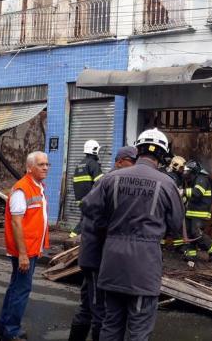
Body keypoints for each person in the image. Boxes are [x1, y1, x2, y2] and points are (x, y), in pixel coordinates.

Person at [83, 129, 183, 341]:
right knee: (138, 330)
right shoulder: (166, 183)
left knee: (110, 324)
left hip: (112, 263)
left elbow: (89, 208)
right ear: (163, 155)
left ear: (137, 150)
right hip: (144, 267)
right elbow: (176, 224)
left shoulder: (111, 178)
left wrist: (108, 227)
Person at [68, 146, 137, 341]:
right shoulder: (111, 182)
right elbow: (93, 212)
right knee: (100, 310)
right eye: (131, 162)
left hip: (97, 257)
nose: (134, 167)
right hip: (96, 258)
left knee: (88, 306)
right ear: (119, 161)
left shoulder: (115, 181)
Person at [0, 151, 50, 341]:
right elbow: (17, 223)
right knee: (21, 290)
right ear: (29, 168)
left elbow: (35, 221)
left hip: (32, 248)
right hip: (24, 251)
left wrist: (39, 247)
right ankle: (11, 331)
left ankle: (4, 328)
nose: (45, 168)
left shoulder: (37, 187)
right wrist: (23, 255)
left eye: (46, 164)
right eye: (41, 164)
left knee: (16, 288)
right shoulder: (22, 189)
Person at [181, 160, 212, 262]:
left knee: (195, 233)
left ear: (193, 171)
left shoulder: (202, 179)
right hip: (191, 212)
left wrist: (183, 192)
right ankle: (191, 255)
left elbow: (197, 193)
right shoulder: (194, 180)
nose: (185, 173)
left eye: (187, 171)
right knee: (189, 234)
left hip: (200, 212)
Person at [70, 140, 104, 237]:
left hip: (81, 200)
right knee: (89, 219)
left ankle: (73, 237)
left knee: (85, 218)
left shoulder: (80, 164)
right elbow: (101, 182)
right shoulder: (93, 164)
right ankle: (73, 239)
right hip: (91, 199)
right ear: (94, 150)